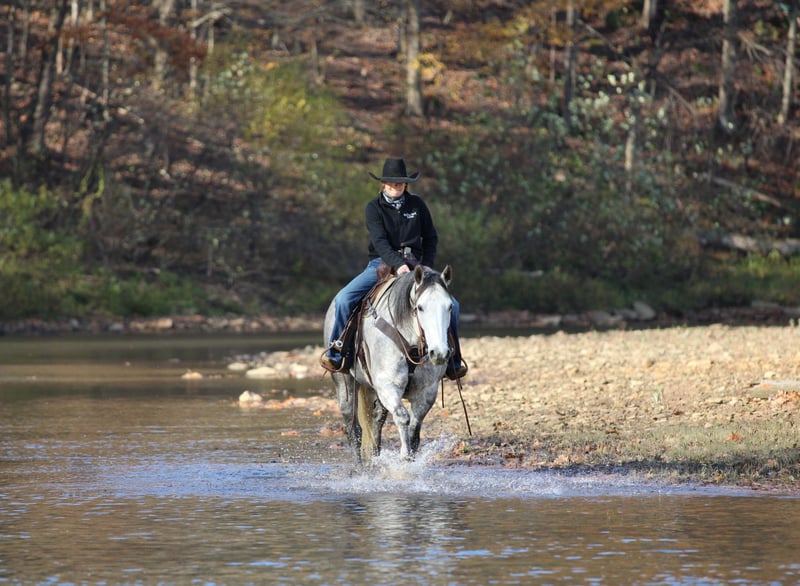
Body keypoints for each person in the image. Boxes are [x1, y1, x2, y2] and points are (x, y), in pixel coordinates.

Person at [321, 157, 468, 380]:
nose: (395, 186)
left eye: (399, 183)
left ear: (405, 184)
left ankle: (453, 359)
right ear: (383, 184)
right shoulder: (373, 208)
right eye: (390, 183)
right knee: (343, 299)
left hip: (417, 265)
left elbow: (430, 237)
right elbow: (379, 241)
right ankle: (338, 351)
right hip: (380, 263)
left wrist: (426, 266)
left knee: (453, 305)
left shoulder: (417, 205)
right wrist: (398, 265)